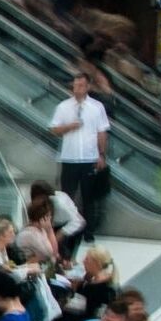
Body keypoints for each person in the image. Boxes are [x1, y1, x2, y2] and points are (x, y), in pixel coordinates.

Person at [50, 73, 111, 241]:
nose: (77, 89)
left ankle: (88, 232)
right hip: (69, 159)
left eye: (81, 86)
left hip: (89, 159)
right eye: (75, 86)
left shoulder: (97, 107)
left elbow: (102, 132)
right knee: (66, 196)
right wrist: (69, 127)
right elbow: (54, 129)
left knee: (88, 197)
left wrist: (101, 154)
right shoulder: (63, 107)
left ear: (88, 87)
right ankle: (66, 230)